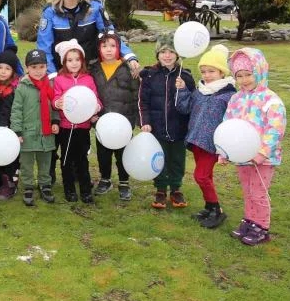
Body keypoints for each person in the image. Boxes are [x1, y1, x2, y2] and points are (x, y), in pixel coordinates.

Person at [223, 48, 286, 246]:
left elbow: (275, 129)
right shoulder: (236, 99)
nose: (244, 80)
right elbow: (228, 125)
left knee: (258, 192)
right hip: (242, 156)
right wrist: (224, 151)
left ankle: (262, 227)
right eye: (239, 76)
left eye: (248, 74)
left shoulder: (271, 100)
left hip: (263, 159)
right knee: (247, 190)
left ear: (259, 72)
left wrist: (262, 153)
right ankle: (249, 221)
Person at [37, 0, 140, 77]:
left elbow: (111, 36)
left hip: (92, 71)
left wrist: (130, 57)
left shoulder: (95, 8)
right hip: (61, 73)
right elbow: (44, 48)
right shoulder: (49, 12)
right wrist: (52, 76)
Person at [175, 44, 236, 229]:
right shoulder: (200, 90)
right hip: (196, 140)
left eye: (212, 71)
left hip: (212, 143)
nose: (207, 75)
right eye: (203, 71)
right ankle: (209, 207)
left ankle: (217, 209)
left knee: (200, 176)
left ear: (222, 72)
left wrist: (226, 149)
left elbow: (232, 123)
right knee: (206, 176)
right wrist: (183, 90)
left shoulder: (229, 95)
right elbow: (184, 108)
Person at [138, 33, 195, 209]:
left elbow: (193, 101)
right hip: (157, 127)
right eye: (163, 51)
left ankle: (176, 189)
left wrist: (184, 88)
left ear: (178, 54)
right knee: (159, 158)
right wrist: (145, 122)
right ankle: (161, 188)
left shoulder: (184, 75)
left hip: (178, 127)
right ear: (157, 54)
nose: (167, 55)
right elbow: (143, 101)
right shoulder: (149, 75)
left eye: (171, 51)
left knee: (177, 159)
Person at [90, 30, 139, 201]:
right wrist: (92, 116)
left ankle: (124, 182)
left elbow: (135, 95)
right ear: (99, 49)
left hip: (123, 122)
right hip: (103, 122)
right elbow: (90, 94)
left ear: (119, 48)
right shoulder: (94, 68)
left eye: (112, 46)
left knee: (122, 154)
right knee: (103, 153)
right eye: (104, 46)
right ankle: (105, 179)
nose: (108, 49)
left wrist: (133, 120)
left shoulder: (129, 68)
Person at [52, 39, 102, 203]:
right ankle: (69, 190)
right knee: (66, 159)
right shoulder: (59, 80)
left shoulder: (88, 79)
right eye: (70, 60)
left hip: (83, 127)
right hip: (66, 127)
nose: (74, 63)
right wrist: (56, 103)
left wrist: (97, 108)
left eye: (77, 59)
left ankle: (86, 190)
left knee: (82, 160)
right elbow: (56, 99)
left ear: (82, 60)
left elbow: (95, 99)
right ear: (64, 62)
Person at [11, 49, 60, 207]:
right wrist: (17, 131)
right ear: (27, 68)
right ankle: (28, 186)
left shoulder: (50, 85)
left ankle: (45, 185)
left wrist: (55, 122)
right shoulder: (22, 87)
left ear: (46, 67)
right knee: (26, 163)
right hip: (27, 133)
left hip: (46, 133)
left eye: (41, 67)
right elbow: (16, 110)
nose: (38, 71)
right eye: (34, 67)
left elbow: (55, 106)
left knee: (45, 162)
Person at [0, 49, 21, 200]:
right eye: (0, 67)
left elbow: (10, 111)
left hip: (9, 130)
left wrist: (8, 128)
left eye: (7, 69)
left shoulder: (15, 89)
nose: (3, 71)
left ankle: (10, 185)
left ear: (13, 71)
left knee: (10, 159)